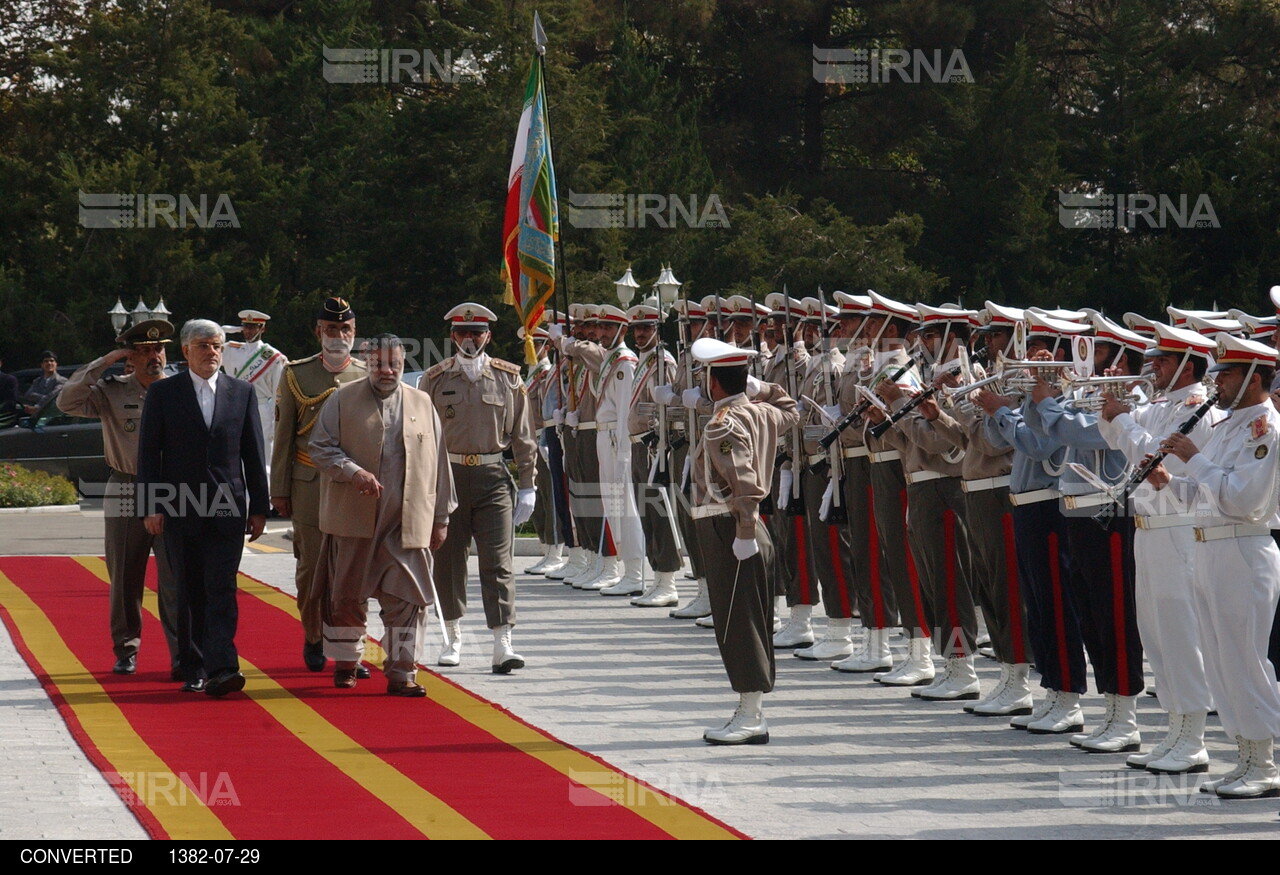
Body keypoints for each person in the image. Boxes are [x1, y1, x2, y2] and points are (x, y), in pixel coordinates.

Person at [1148, 334, 1280, 798]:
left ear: (1254, 377)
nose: (1217, 380)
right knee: (1222, 662)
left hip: (1243, 548)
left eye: (1227, 373)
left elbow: (1243, 500)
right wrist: (1168, 481)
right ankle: (1245, 754)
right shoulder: (1228, 424)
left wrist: (1194, 459)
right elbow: (1207, 494)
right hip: (1212, 545)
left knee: (1244, 658)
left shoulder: (1265, 425)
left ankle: (1264, 763)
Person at [310, 334, 455, 696]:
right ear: (367, 364)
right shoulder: (341, 400)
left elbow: (440, 465)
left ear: (403, 365)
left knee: (408, 601)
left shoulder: (423, 403)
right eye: (378, 364)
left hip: (405, 524)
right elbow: (320, 447)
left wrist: (441, 519)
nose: (387, 371)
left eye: (394, 364)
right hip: (354, 521)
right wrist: (352, 471)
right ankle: (346, 662)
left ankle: (402, 672)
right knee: (345, 599)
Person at [137, 319, 270, 697]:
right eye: (203, 346)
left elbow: (252, 452)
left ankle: (224, 667)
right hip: (180, 506)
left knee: (222, 588)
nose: (211, 352)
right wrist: (151, 506)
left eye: (217, 345)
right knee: (190, 589)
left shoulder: (241, 392)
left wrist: (258, 507)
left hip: (227, 506)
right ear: (186, 351)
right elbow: (149, 453)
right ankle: (192, 665)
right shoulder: (164, 394)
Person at [57, 320, 181, 678]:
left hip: (174, 490)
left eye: (159, 349)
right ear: (130, 355)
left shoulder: (180, 390)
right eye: (143, 350)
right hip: (126, 486)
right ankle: (126, 648)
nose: (154, 356)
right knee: (126, 574)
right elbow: (67, 401)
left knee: (175, 577)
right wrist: (106, 361)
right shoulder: (112, 390)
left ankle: (180, 652)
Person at [689, 337, 798, 744]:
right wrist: (764, 388)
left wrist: (745, 533)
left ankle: (751, 714)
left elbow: (745, 483)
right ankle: (751, 708)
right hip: (742, 528)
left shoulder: (724, 424)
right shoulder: (761, 412)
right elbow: (792, 410)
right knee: (747, 619)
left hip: (730, 527)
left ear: (713, 382)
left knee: (738, 623)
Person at [419, 303, 538, 673]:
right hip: (448, 478)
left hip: (492, 479)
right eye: (462, 333)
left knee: (498, 562)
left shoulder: (508, 378)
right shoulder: (434, 379)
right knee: (449, 561)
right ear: (453, 336)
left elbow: (523, 436)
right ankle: (452, 636)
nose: (469, 339)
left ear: (488, 336)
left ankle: (502, 641)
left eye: (477, 333)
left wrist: (528, 484)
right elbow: (421, 436)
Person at [270, 296, 367, 672]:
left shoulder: (364, 375)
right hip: (308, 484)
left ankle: (348, 646)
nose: (338, 335)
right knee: (311, 570)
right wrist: (279, 489)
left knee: (351, 573)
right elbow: (284, 436)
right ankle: (313, 636)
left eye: (345, 329)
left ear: (355, 332)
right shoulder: (296, 374)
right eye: (331, 329)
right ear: (318, 332)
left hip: (351, 487)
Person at [222, 309, 286, 477]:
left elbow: (278, 394)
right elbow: (209, 338)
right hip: (234, 408)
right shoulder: (231, 350)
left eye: (253, 327)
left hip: (261, 410)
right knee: (233, 456)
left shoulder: (273, 356)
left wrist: (274, 424)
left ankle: (263, 500)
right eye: (245, 327)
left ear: (262, 329)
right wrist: (227, 330)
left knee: (262, 459)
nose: (248, 331)